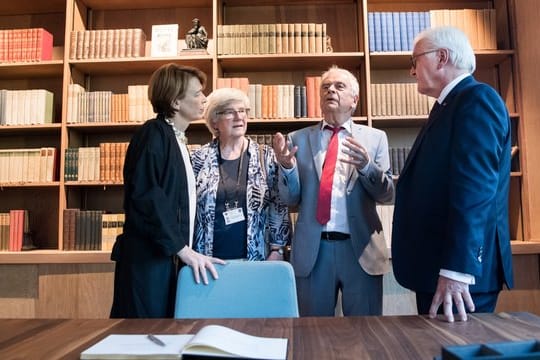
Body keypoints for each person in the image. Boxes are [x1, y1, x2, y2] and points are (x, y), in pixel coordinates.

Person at [391, 26, 514, 323]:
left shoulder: (476, 100)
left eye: (415, 60)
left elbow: (475, 192)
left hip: (458, 277)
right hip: (437, 268)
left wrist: (458, 271)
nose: (411, 71)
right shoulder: (447, 106)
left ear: (441, 57)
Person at [273, 66, 394, 316]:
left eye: (339, 86)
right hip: (314, 252)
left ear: (355, 100)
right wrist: (286, 168)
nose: (331, 90)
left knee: (366, 333)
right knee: (312, 334)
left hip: (360, 250)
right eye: (325, 87)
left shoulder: (375, 138)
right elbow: (290, 198)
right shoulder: (297, 139)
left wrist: (367, 167)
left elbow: (386, 195)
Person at [110, 63, 225, 318]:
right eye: (197, 94)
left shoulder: (177, 139)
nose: (204, 99)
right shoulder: (154, 134)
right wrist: (182, 249)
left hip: (165, 258)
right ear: (175, 102)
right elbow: (147, 197)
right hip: (147, 263)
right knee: (144, 336)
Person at [192, 87, 291, 261]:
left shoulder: (265, 156)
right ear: (214, 122)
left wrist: (277, 250)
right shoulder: (198, 160)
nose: (239, 117)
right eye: (230, 112)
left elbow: (278, 204)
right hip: (207, 262)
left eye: (242, 111)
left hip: (256, 259)